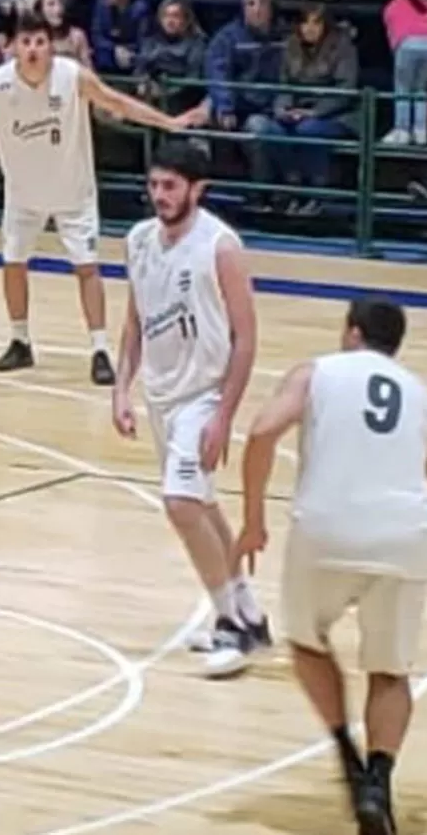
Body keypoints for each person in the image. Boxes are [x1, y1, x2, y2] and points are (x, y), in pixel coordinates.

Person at [233, 296, 427, 834]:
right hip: (405, 536)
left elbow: (260, 432)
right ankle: (379, 779)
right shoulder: (424, 400)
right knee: (390, 672)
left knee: (308, 644)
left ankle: (346, 755)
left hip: (325, 528)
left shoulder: (317, 372)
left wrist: (254, 519)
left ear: (351, 333)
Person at [0, 10, 202, 386]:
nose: (33, 49)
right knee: (13, 264)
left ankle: (99, 350)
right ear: (14, 47)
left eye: (40, 42)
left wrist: (169, 122)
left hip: (73, 193)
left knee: (87, 268)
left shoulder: (71, 76)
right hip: (22, 194)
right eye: (26, 42)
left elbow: (118, 102)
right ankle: (20, 340)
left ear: (51, 47)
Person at [110, 140, 270, 677]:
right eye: (153, 185)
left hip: (203, 393)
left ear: (197, 189)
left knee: (180, 503)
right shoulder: (137, 241)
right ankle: (249, 612)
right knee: (199, 503)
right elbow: (134, 321)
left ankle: (229, 623)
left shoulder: (221, 246)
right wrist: (120, 388)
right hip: (161, 393)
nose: (159, 196)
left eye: (170, 186)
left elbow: (246, 338)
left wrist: (224, 413)